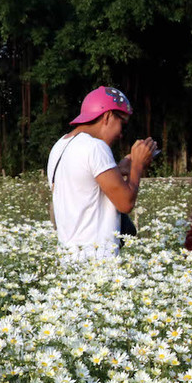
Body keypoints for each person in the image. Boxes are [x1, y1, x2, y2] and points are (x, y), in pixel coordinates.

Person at [46, 86, 157, 260]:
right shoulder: (96, 147)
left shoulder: (60, 146)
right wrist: (138, 166)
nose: (121, 134)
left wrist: (119, 169)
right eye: (123, 123)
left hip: (69, 261)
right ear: (107, 116)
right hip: (96, 264)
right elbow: (125, 203)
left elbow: (83, 185)